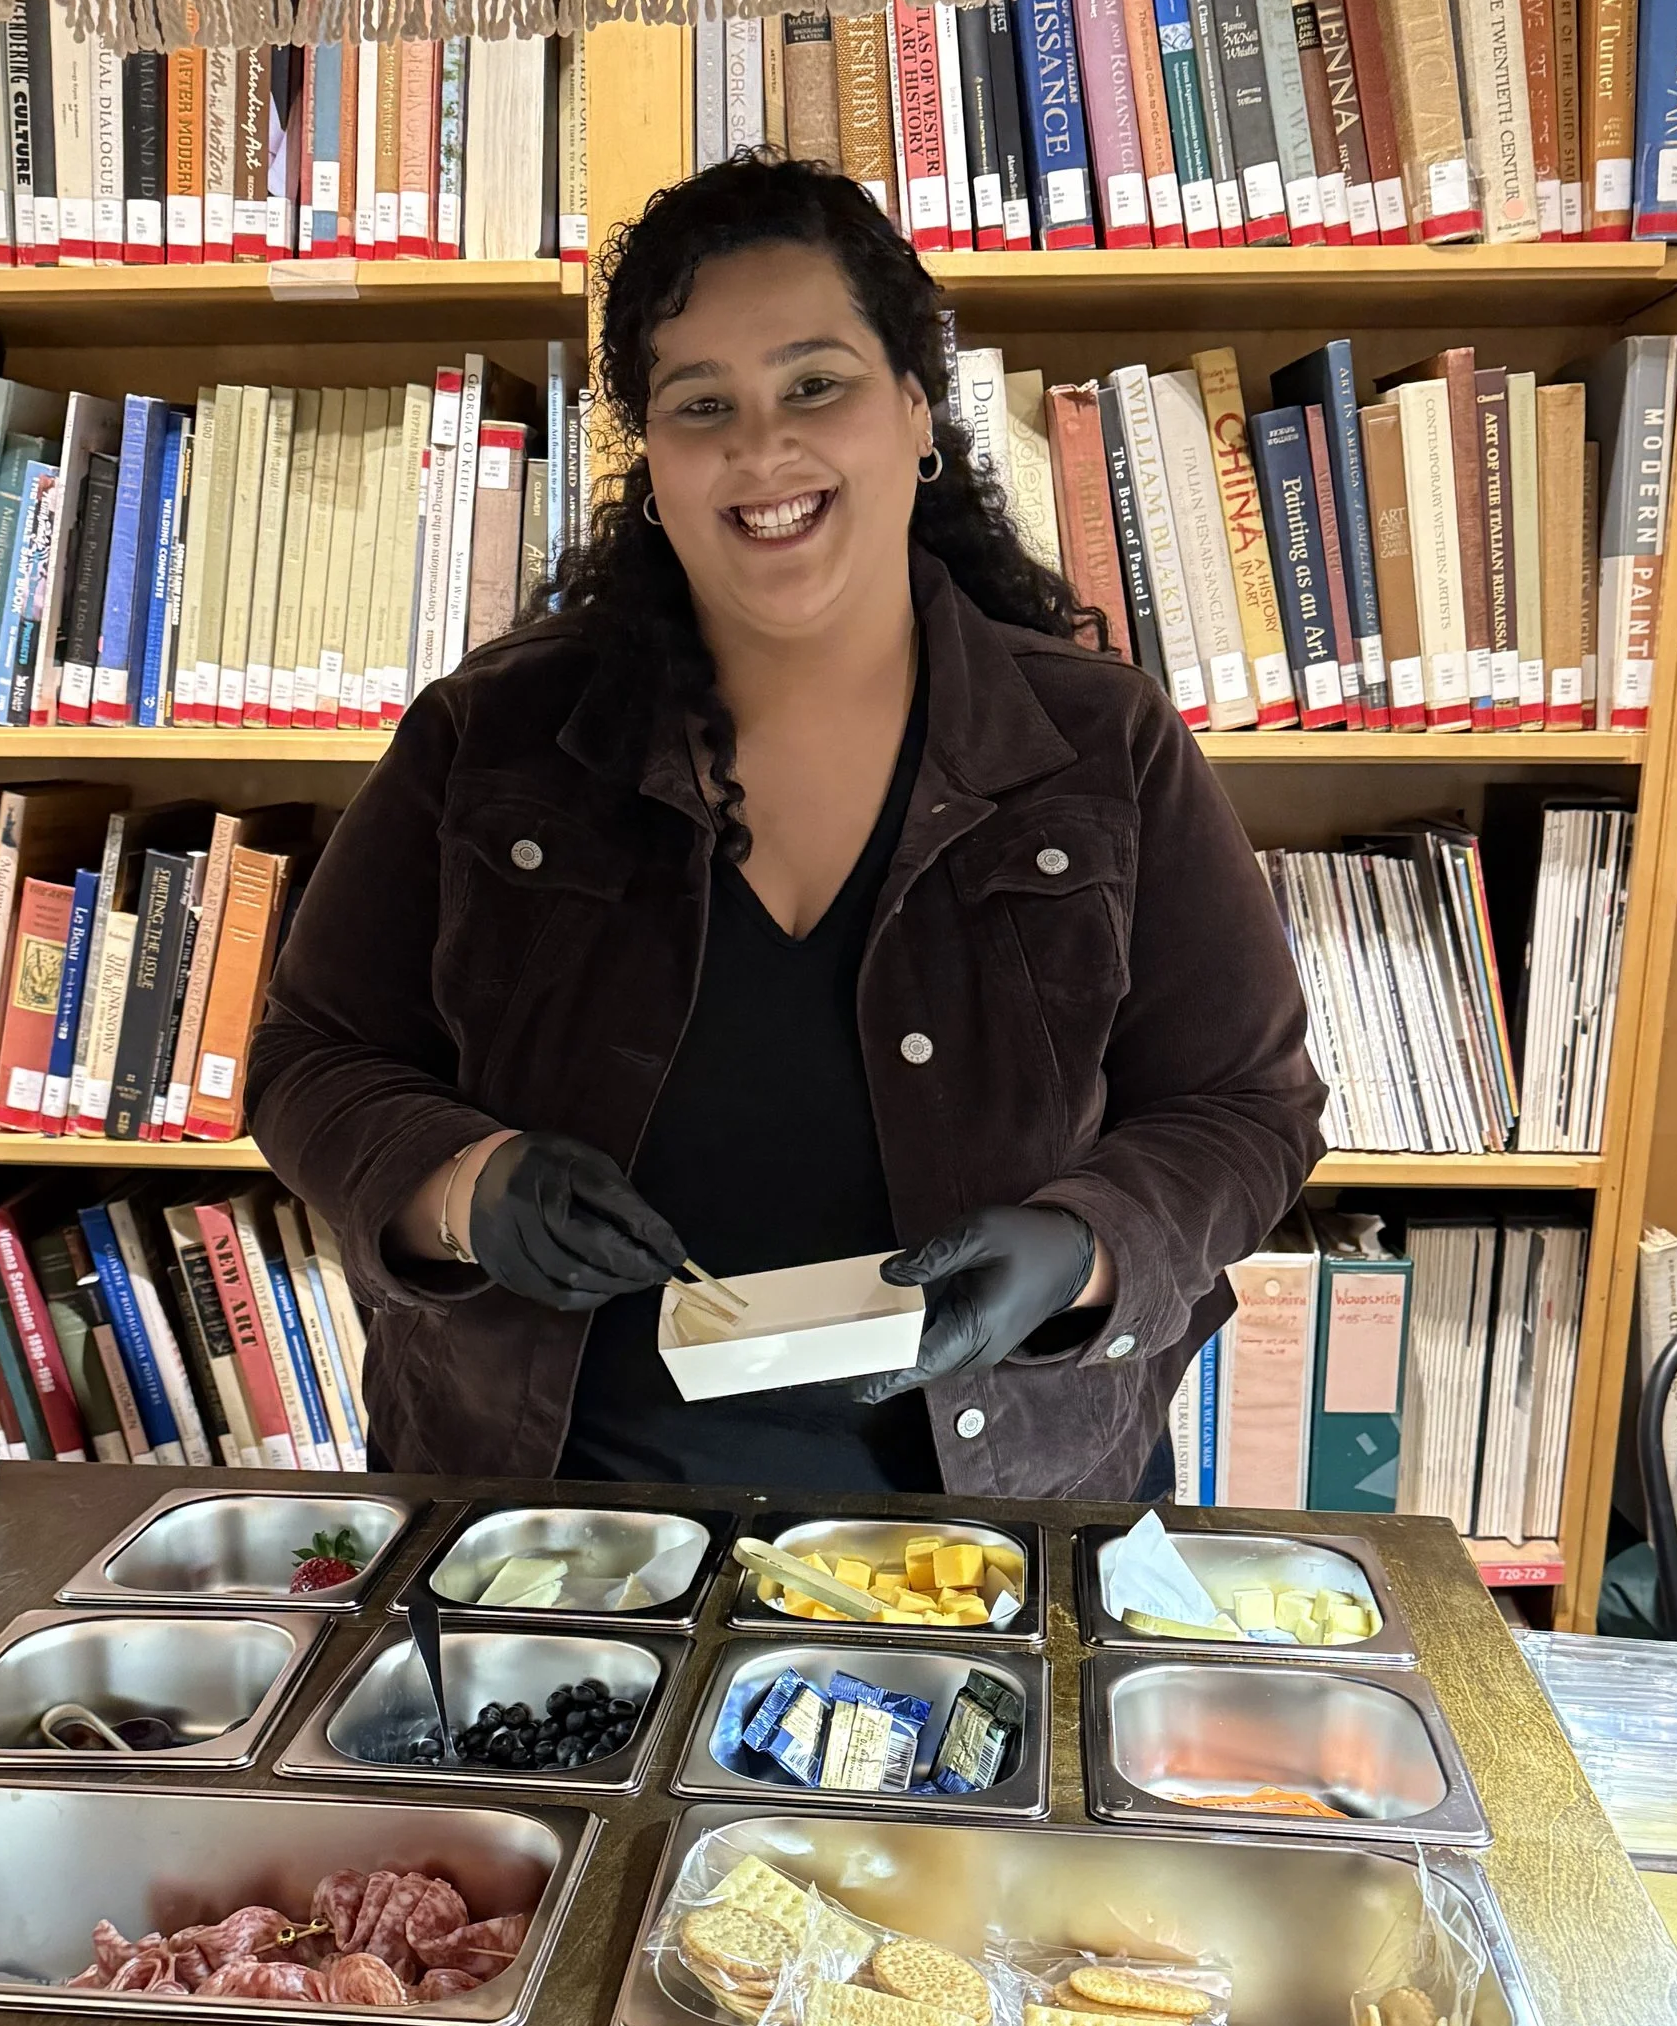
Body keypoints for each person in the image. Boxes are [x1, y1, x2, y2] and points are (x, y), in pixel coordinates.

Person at [246, 153, 1324, 1499]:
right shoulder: (489, 739)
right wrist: (464, 1188)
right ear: (654, 456)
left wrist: (1085, 1246)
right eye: (704, 405)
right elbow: (312, 1061)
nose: (763, 450)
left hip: (989, 1540)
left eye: (816, 384)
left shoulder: (1103, 746)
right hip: (552, 1530)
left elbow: (1248, 1107)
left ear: (917, 413)